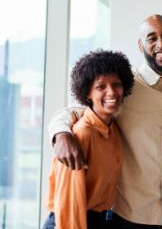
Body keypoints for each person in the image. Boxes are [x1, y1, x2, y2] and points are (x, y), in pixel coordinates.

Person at [48, 15, 162, 228]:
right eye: (152, 38)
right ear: (140, 45)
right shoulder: (123, 88)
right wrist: (61, 134)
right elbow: (74, 111)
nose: (161, 44)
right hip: (129, 214)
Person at [43, 50, 134, 229]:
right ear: (87, 94)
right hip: (71, 221)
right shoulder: (81, 134)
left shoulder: (113, 128)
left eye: (116, 84)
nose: (111, 93)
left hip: (99, 220)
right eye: (101, 87)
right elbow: (69, 203)